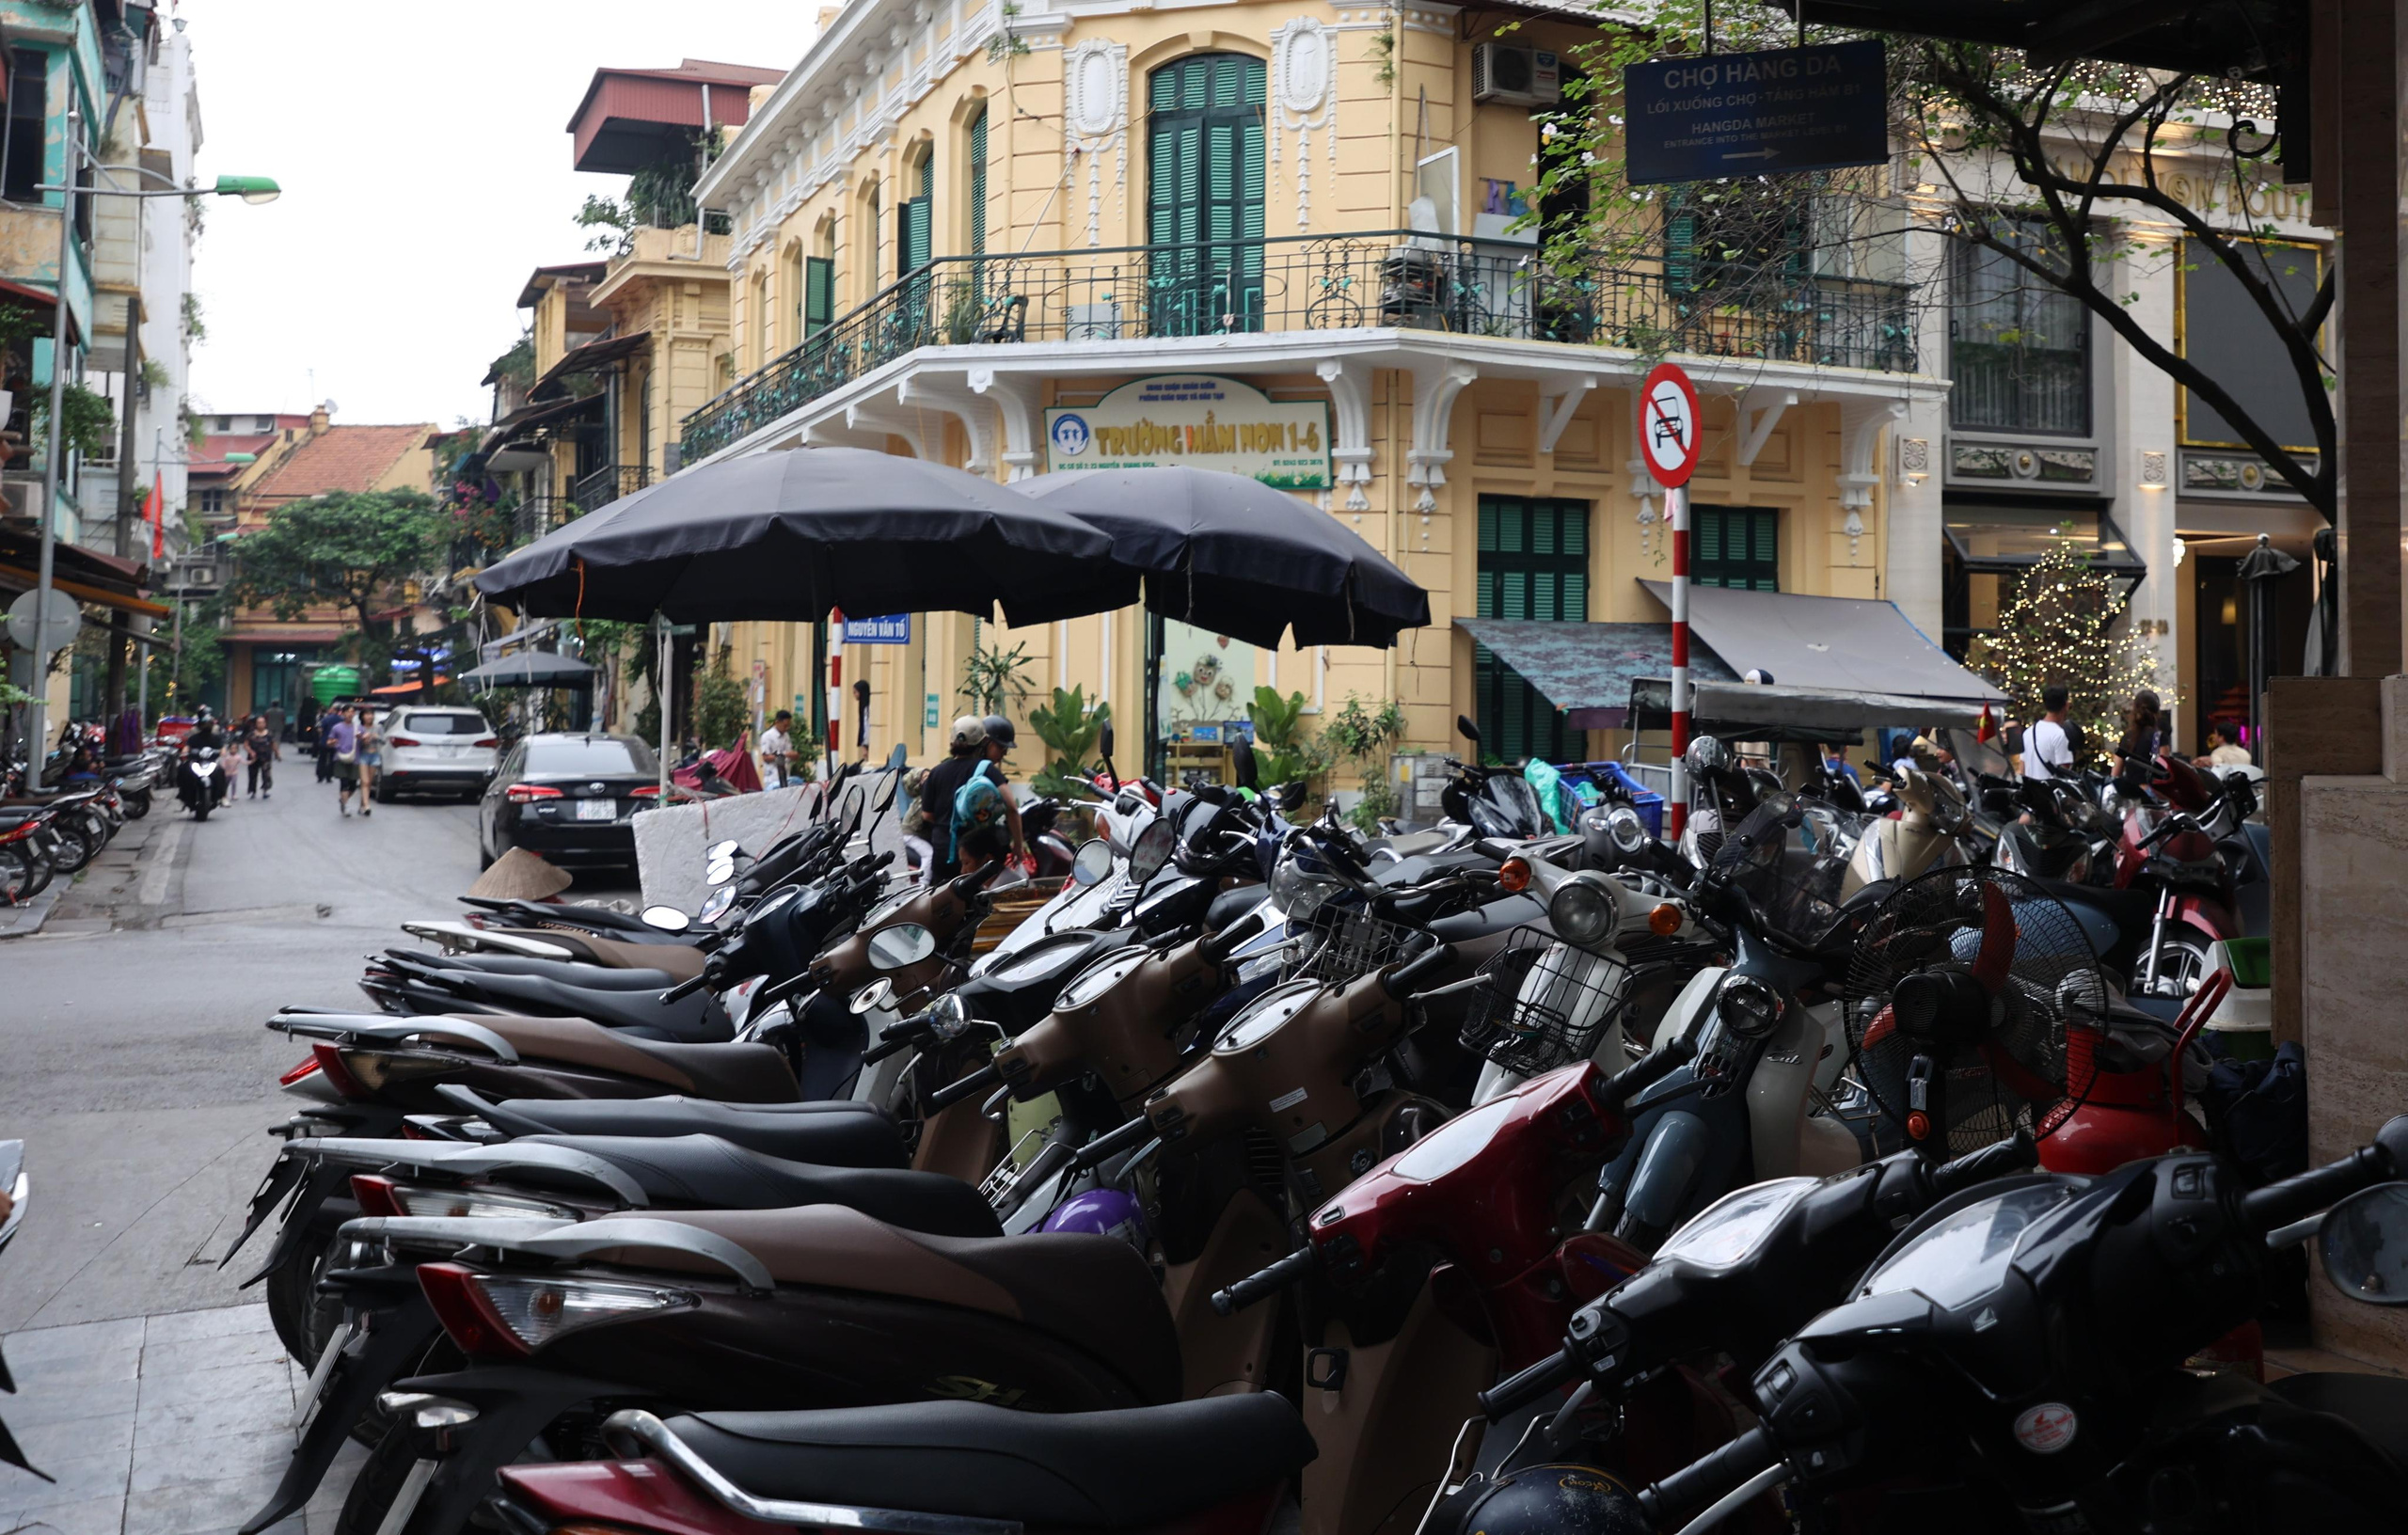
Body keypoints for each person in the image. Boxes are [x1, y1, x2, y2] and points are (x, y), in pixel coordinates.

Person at [917, 717, 990, 884]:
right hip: (972, 850)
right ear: (982, 742)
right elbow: (1010, 806)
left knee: (940, 901)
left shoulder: (936, 772)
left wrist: (946, 823)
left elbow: (927, 815)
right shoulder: (985, 769)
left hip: (942, 849)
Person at [977, 714, 1030, 868]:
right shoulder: (988, 770)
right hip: (976, 846)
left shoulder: (955, 766)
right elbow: (1012, 808)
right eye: (1001, 747)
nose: (1004, 753)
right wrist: (1018, 846)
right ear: (987, 742)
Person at [2023, 686, 2076, 782]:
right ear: (2066, 705)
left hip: (2030, 791)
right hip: (2049, 793)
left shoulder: (2028, 732)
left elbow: (2022, 766)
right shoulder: (2060, 734)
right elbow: (2065, 770)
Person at [325, 704, 360, 817]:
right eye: (348, 712)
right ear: (343, 713)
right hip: (340, 758)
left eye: (352, 712)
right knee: (344, 782)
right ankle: (346, 806)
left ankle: (343, 800)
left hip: (354, 758)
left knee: (353, 785)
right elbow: (329, 741)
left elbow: (364, 741)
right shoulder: (337, 728)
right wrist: (332, 743)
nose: (350, 714)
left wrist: (364, 738)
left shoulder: (358, 728)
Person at [2118, 689, 2164, 765]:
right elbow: (2166, 771)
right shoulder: (2160, 737)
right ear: (2157, 711)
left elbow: (2115, 773)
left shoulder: (2126, 738)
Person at [355, 707, 383, 815]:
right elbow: (357, 744)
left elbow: (384, 739)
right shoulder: (359, 728)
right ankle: (367, 805)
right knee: (364, 781)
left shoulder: (378, 727)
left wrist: (376, 737)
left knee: (369, 782)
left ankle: (362, 805)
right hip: (363, 755)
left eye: (371, 714)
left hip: (374, 755)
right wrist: (362, 739)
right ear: (362, 716)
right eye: (367, 714)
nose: (369, 716)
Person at [245, 713, 279, 799]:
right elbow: (246, 745)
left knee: (266, 774)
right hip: (253, 758)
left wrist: (277, 754)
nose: (261, 724)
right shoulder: (251, 734)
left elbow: (273, 745)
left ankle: (265, 791)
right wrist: (251, 751)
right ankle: (252, 791)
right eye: (259, 723)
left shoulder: (269, 734)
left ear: (265, 724)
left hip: (266, 758)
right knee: (252, 774)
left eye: (262, 723)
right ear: (256, 724)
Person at [760, 709, 794, 788]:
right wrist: (782, 755)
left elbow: (790, 752)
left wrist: (793, 755)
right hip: (772, 779)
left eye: (788, 726)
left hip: (786, 777)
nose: (787, 728)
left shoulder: (786, 736)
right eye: (785, 725)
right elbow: (765, 757)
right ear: (777, 722)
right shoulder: (767, 736)